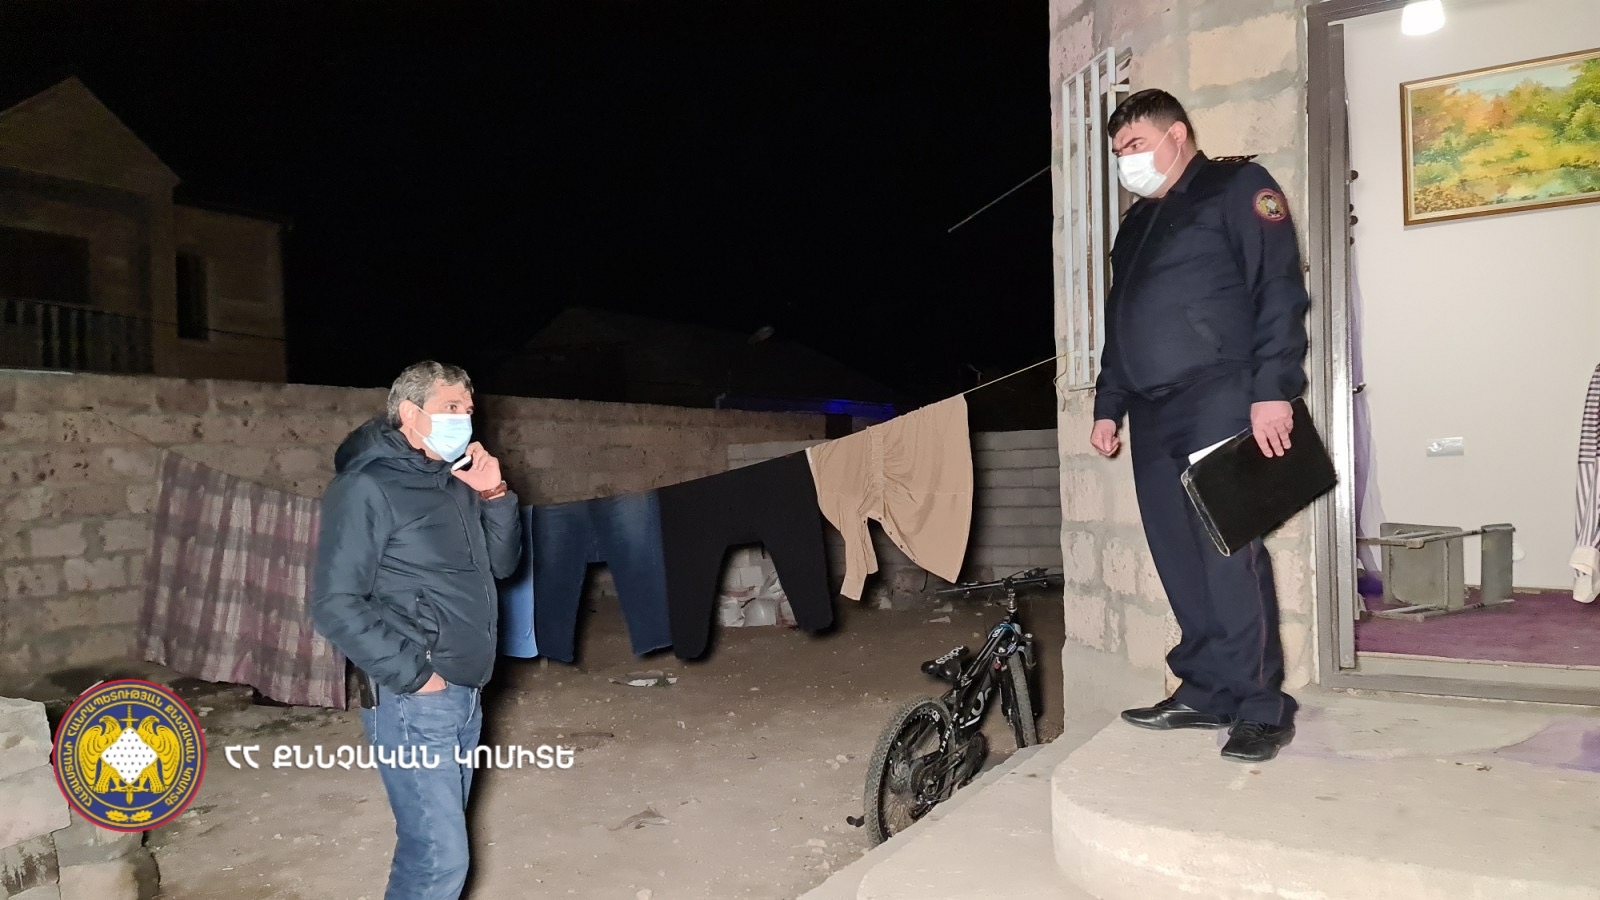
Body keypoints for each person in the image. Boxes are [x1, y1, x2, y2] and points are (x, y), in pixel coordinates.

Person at [1088, 89, 1309, 763]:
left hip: (1221, 395)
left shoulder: (1238, 187)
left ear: (1177, 135)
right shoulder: (1136, 223)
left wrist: (1272, 392)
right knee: (1178, 556)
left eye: (1135, 145)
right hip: (1152, 411)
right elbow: (1123, 317)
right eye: (1118, 152)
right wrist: (1108, 402)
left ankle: (1261, 705)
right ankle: (1207, 689)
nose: (1126, 161)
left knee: (1228, 552)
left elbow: (1277, 287)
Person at [311, 360, 523, 898]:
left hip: (468, 689)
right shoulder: (365, 487)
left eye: (468, 409)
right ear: (410, 413)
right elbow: (335, 603)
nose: (465, 420)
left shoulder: (453, 481)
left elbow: (503, 565)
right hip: (415, 698)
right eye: (451, 408)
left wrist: (494, 495)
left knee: (430, 849)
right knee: (441, 860)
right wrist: (417, 677)